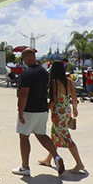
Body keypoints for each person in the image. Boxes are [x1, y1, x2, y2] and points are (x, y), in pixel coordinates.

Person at [12, 48, 65, 177]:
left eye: (23, 58)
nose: (23, 61)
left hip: (29, 109)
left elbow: (24, 93)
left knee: (24, 137)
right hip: (42, 108)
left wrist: (20, 111)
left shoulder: (26, 73)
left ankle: (25, 167)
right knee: (41, 134)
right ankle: (56, 156)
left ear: (27, 57)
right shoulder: (43, 72)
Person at [39, 61, 86, 174]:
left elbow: (54, 100)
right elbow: (74, 96)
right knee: (55, 136)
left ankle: (79, 163)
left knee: (66, 137)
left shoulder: (55, 82)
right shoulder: (68, 81)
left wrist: (45, 108)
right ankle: (48, 159)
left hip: (58, 112)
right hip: (66, 110)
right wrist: (75, 109)